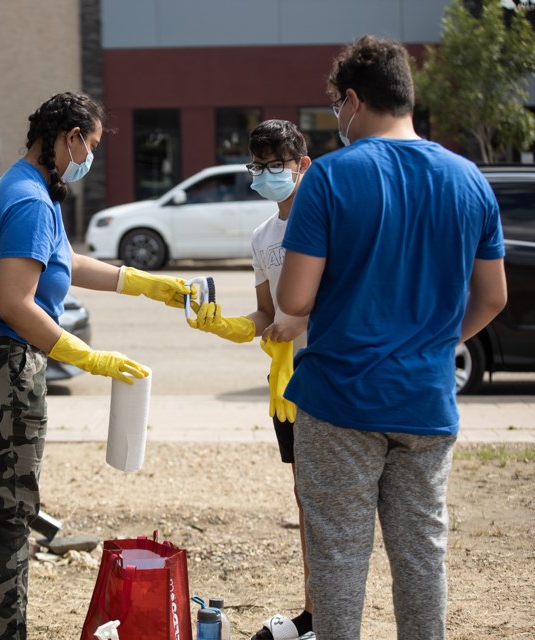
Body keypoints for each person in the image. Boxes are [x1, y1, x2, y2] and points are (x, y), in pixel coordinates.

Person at [0, 91, 190, 640]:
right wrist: (86, 356)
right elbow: (16, 304)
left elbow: (63, 259)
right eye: (89, 142)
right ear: (68, 138)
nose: (89, 155)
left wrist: (142, 284)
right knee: (10, 514)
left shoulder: (24, 186)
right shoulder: (31, 200)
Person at [275, 36, 507, 639]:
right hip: (426, 400)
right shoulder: (468, 179)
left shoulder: (328, 177)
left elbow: (294, 300)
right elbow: (493, 297)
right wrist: (430, 341)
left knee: (338, 559)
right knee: (422, 555)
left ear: (353, 100)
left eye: (336, 103)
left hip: (339, 400)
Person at [189, 119, 315, 640]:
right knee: (306, 501)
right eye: (257, 166)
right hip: (285, 388)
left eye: (276, 165)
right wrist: (223, 324)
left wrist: (302, 323)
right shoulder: (264, 235)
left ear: (302, 165)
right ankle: (314, 614)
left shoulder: (327, 220)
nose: (265, 175)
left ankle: (329, 616)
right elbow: (267, 315)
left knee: (333, 505)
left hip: (330, 380)